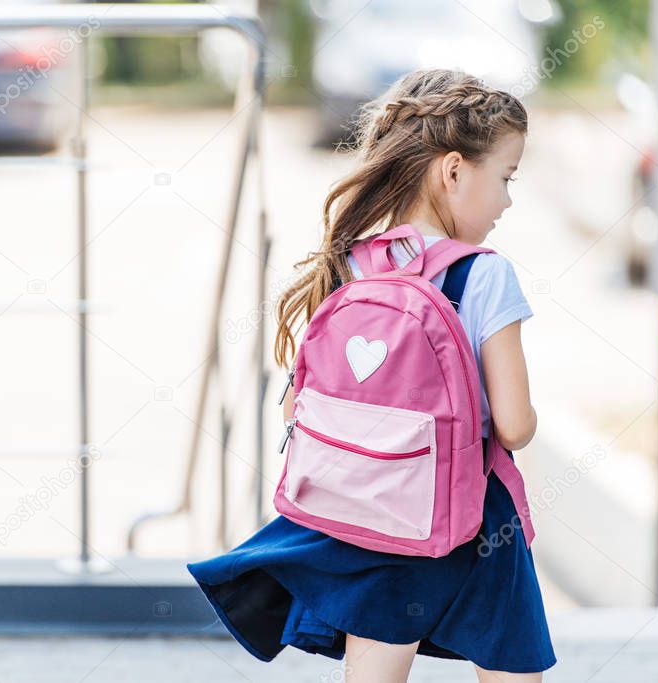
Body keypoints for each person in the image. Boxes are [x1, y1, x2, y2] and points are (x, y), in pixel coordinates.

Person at [186, 68, 556, 681]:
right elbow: (514, 427)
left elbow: (296, 409)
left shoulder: (352, 261)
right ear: (455, 170)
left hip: (373, 510)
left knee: (376, 669)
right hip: (473, 513)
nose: (509, 200)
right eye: (506, 178)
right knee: (508, 662)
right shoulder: (483, 276)